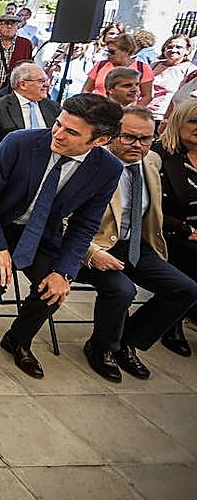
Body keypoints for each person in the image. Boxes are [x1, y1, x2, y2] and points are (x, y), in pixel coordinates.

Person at [0, 93, 124, 379]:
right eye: (58, 124)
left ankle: (18, 340)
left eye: (71, 132)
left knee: (54, 288)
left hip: (39, 231)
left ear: (100, 140)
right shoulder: (20, 141)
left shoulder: (108, 169)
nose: (57, 134)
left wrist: (64, 272)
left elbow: (84, 224)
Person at [72, 107, 197, 381]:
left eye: (145, 138)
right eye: (128, 137)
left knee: (185, 289)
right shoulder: (90, 165)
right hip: (89, 246)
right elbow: (64, 220)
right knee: (122, 289)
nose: (137, 145)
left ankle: (126, 341)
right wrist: (93, 253)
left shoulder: (151, 161)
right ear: (111, 135)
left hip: (133, 244)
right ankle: (100, 347)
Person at [158, 98, 197, 355]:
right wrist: (188, 231)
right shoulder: (159, 155)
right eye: (193, 121)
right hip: (170, 231)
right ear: (178, 122)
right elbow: (149, 209)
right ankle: (171, 319)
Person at [0, 62, 61, 159]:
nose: (47, 84)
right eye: (41, 81)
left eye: (46, 80)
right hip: (9, 163)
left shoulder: (53, 107)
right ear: (23, 85)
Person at [84, 32, 153, 104]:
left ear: (126, 52)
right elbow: (86, 90)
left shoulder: (143, 68)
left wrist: (132, 112)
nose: (108, 55)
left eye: (112, 52)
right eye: (107, 52)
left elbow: (147, 96)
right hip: (97, 109)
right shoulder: (101, 65)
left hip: (125, 111)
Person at [0, 13, 34, 95]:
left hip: (11, 94)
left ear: (17, 27)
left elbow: (28, 68)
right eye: (6, 24)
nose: (9, 27)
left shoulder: (25, 45)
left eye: (12, 24)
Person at [149, 34, 193, 120]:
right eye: (169, 47)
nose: (173, 50)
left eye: (178, 47)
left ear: (187, 50)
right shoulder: (154, 65)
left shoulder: (189, 70)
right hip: (143, 112)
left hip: (164, 117)